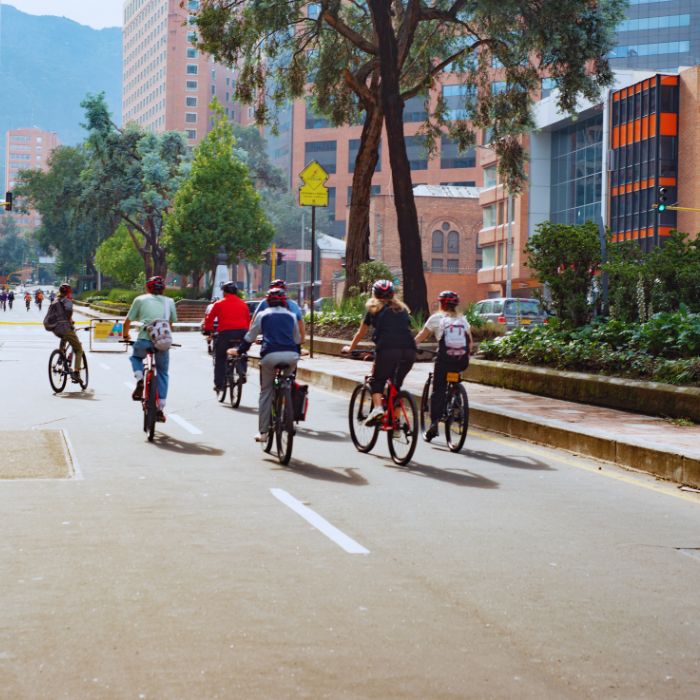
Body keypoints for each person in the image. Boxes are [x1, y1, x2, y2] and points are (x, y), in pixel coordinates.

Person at [342, 280, 416, 425]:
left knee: (378, 380)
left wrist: (350, 348)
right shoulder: (402, 309)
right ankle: (395, 424)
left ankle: (377, 409)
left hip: (387, 349)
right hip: (409, 351)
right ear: (393, 294)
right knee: (396, 387)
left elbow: (360, 333)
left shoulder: (373, 308)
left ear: (374, 294)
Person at [231, 287, 301, 442]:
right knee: (289, 382)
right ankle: (289, 413)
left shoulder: (263, 315)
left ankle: (263, 432)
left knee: (266, 391)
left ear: (268, 302)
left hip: (270, 356)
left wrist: (241, 350)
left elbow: (250, 336)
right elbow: (297, 340)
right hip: (292, 356)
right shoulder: (291, 316)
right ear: (285, 302)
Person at [414, 290, 473, 440]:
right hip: (461, 361)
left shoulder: (436, 319)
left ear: (440, 303)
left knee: (438, 389)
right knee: (454, 379)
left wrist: (410, 346)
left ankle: (434, 424)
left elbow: (421, 336)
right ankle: (457, 401)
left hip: (444, 360)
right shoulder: (462, 320)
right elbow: (470, 343)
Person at [122, 276, 178, 423]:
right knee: (163, 373)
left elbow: (127, 321)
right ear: (163, 289)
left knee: (135, 357)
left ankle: (140, 378)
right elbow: (171, 324)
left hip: (144, 339)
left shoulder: (140, 299)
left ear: (148, 288)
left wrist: (126, 335)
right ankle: (160, 408)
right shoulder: (170, 302)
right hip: (162, 342)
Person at [203, 281, 251, 392]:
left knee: (220, 358)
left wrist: (208, 331)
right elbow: (248, 321)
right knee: (241, 352)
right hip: (242, 333)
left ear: (224, 292)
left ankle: (219, 384)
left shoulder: (219, 303)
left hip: (225, 333)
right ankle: (242, 371)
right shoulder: (243, 304)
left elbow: (209, 319)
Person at [45, 283, 84, 383]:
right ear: (68, 292)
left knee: (64, 338)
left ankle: (60, 357)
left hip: (55, 328)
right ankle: (76, 372)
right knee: (78, 349)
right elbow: (68, 314)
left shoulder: (54, 301)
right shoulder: (67, 301)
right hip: (65, 328)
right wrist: (70, 321)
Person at [253, 279, 305, 344]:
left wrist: (253, 338)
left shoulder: (264, 303)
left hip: (269, 342)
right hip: (289, 342)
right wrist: (302, 340)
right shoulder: (293, 305)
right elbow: (300, 324)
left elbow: (254, 322)